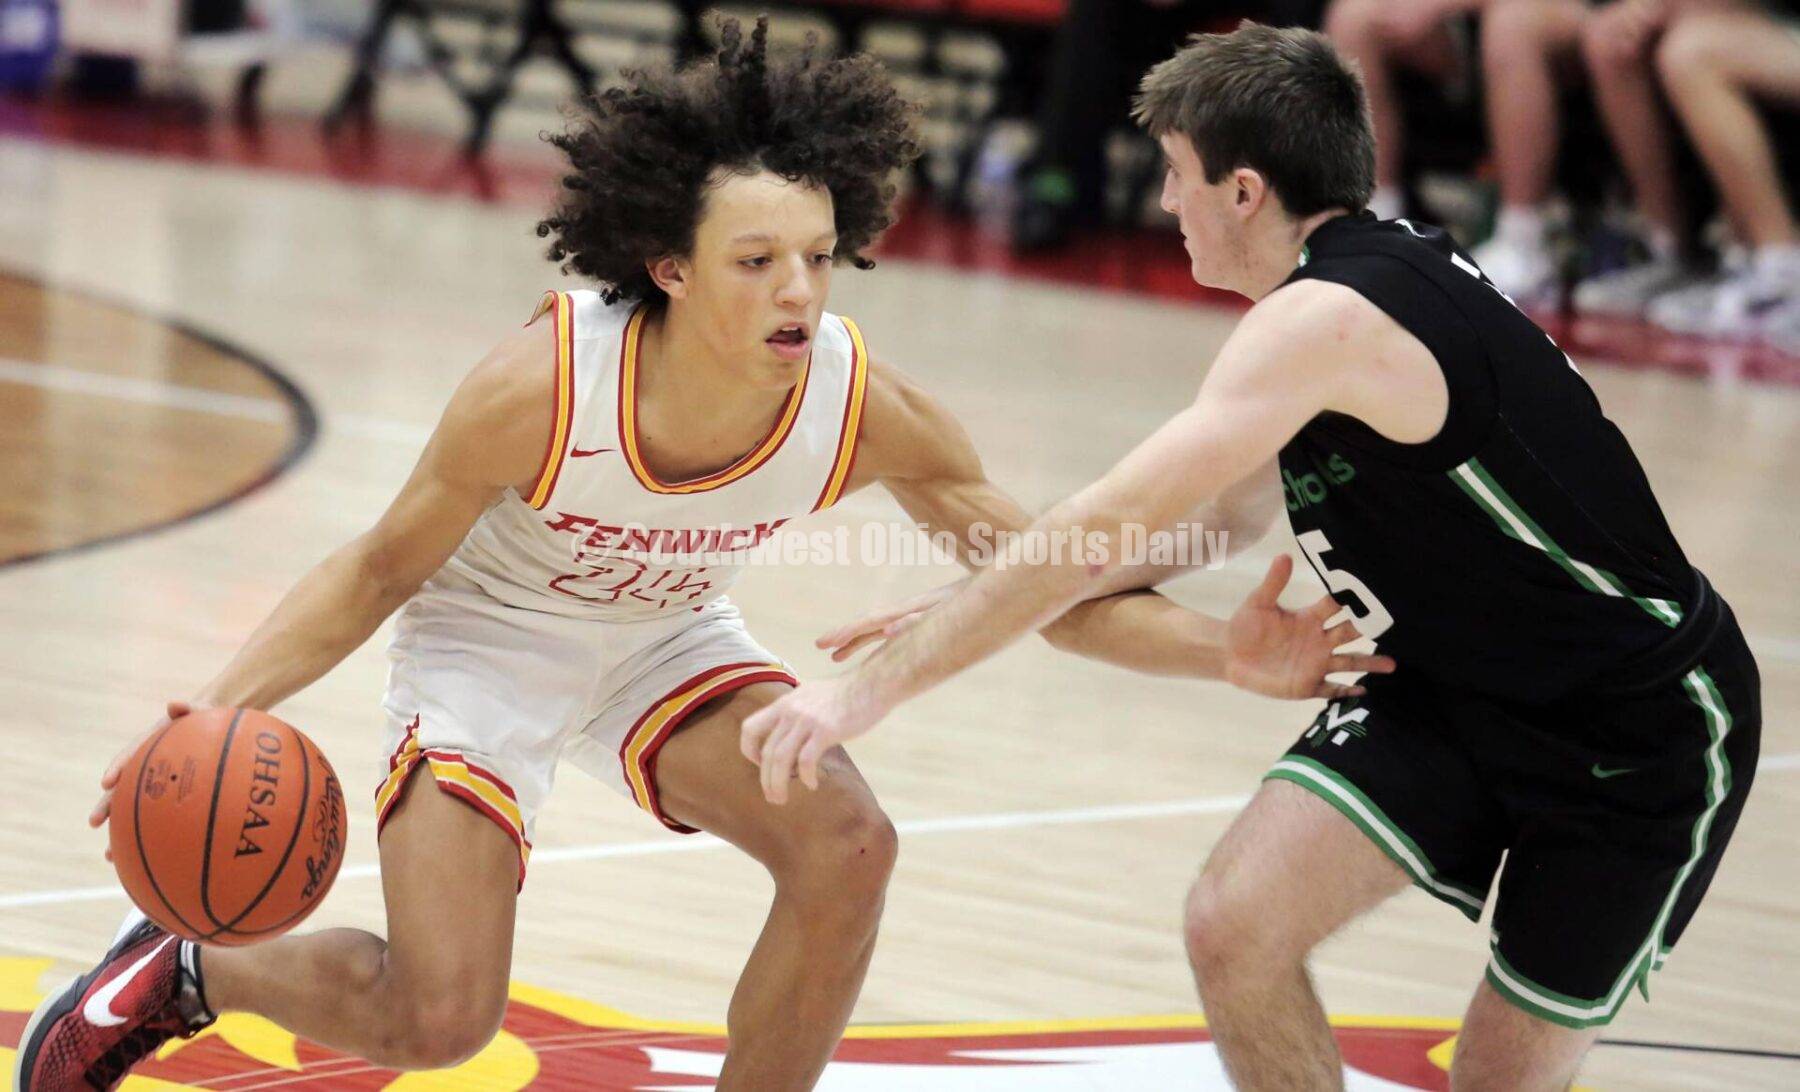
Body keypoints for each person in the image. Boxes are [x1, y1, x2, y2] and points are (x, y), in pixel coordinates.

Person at [15, 19, 1386, 1091]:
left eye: (819, 256)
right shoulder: (544, 388)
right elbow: (377, 571)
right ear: (669, 266)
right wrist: (218, 704)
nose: (799, 290)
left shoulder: (864, 405)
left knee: (849, 846)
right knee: (439, 1021)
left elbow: (1050, 593)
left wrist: (1224, 655)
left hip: (664, 638)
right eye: (756, 261)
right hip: (489, 647)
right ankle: (192, 973)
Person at [743, 23, 1761, 1091]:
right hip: (1448, 695)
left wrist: (860, 696)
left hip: (1632, 725)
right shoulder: (1341, 290)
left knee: (1495, 1080)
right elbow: (1215, 523)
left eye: (1175, 175)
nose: (1163, 201)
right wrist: (986, 596)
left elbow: (1097, 525)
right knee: (1235, 925)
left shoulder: (1330, 319)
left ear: (1241, 191)